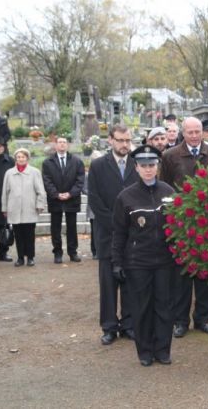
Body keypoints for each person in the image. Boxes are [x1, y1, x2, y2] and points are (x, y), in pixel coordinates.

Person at [112, 145, 176, 366]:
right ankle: (145, 351)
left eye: (152, 165)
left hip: (165, 261)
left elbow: (178, 226)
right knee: (142, 307)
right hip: (138, 262)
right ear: (136, 168)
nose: (148, 170)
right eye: (144, 166)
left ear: (157, 166)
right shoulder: (126, 197)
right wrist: (117, 262)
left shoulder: (169, 192)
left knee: (164, 306)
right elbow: (119, 233)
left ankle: (163, 350)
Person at [161, 116, 208, 338]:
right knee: (181, 275)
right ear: (183, 133)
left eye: (198, 131)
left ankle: (203, 319)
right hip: (181, 223)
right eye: (190, 132)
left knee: (206, 274)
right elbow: (165, 188)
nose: (195, 136)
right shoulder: (169, 156)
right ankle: (180, 320)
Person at [87, 124, 138, 345]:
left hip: (132, 236)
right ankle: (109, 326)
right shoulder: (98, 166)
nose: (124, 145)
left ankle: (128, 324)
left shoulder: (137, 165)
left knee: (129, 281)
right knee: (108, 283)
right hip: (107, 234)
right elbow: (95, 201)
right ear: (110, 140)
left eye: (127, 140)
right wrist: (116, 226)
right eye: (120, 140)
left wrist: (129, 227)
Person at [42, 137, 85, 264]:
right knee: (55, 227)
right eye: (59, 142)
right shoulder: (47, 162)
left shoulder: (77, 161)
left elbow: (80, 179)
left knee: (72, 227)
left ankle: (73, 252)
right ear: (55, 146)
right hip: (55, 200)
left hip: (72, 199)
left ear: (68, 145)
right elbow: (47, 180)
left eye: (64, 142)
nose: (62, 144)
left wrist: (70, 193)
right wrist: (56, 194)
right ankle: (57, 252)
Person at [1, 148, 47, 267]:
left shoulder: (35, 172)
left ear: (27, 158)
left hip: (30, 208)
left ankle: (30, 257)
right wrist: (4, 208)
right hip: (14, 209)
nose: (21, 159)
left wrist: (40, 205)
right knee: (18, 235)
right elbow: (5, 192)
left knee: (29, 235)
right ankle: (20, 257)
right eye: (18, 157)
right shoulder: (9, 173)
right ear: (15, 159)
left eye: (23, 157)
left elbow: (40, 191)